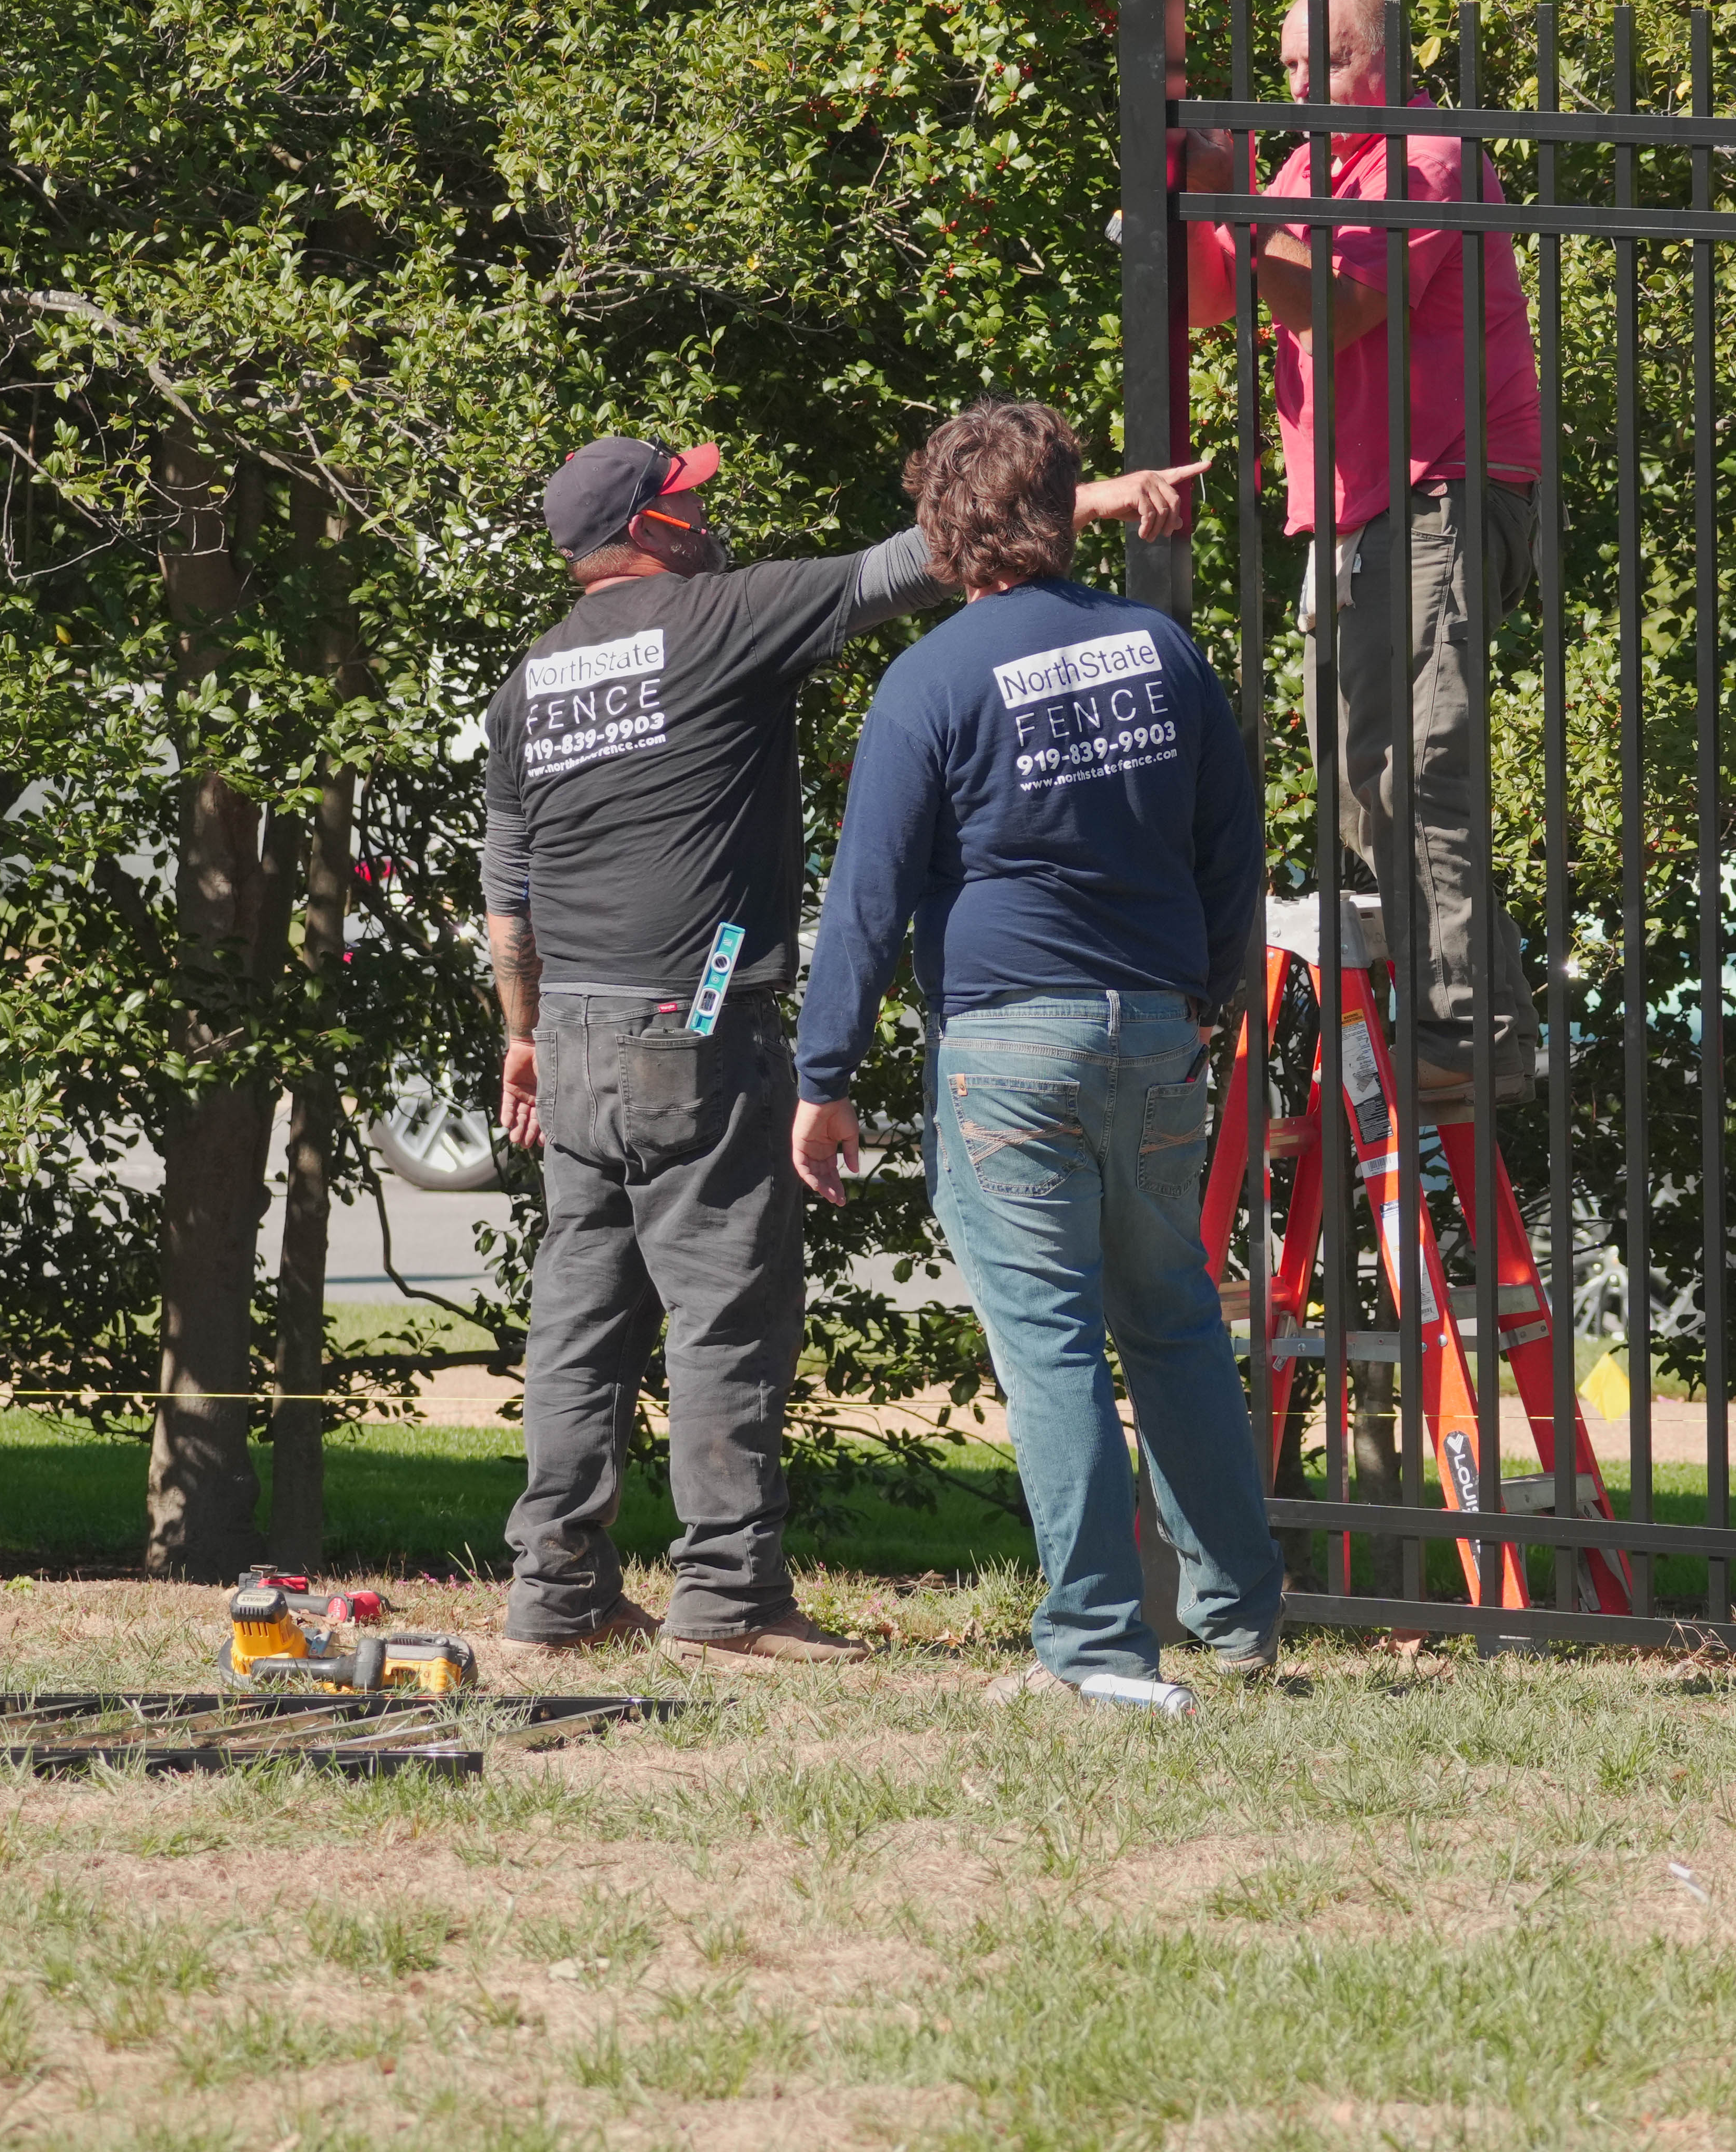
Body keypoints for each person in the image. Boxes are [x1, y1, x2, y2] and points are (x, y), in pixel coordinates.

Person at [480, 427, 1203, 1661]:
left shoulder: (530, 680)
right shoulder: (716, 618)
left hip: (577, 1025)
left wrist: (524, 1032)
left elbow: (507, 887)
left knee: (580, 1316)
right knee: (728, 1308)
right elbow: (909, 567)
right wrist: (1089, 499)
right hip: (695, 1013)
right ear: (645, 532)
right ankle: (729, 1596)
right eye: (688, 504)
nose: (709, 518)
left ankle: (556, 1592)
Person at [787, 398, 1281, 1701]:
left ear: (945, 533)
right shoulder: (1162, 648)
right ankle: (1239, 1621)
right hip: (1159, 1026)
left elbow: (868, 894)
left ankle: (1095, 1645)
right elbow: (1234, 846)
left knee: (1052, 1338)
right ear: (1065, 511)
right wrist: (1209, 993)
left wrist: (823, 1074)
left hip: (1009, 1039)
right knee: (1174, 1316)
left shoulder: (932, 678)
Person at [1172, 0, 1543, 1110]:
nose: (1297, 86)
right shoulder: (1312, 170)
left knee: (1427, 757)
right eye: (1287, 66)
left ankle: (1470, 1031)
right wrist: (1194, 191)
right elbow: (1206, 302)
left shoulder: (1424, 156)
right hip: (1353, 506)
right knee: (1357, 773)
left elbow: (1337, 306)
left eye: (1320, 63)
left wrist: (1238, 208)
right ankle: (1466, 1013)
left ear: (1385, 58)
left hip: (1443, 488)